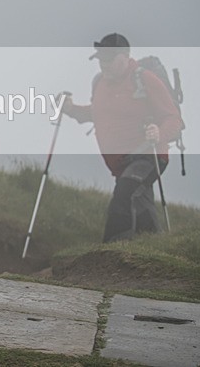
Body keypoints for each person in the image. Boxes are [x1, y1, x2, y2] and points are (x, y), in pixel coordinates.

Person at [61, 33, 184, 242]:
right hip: (121, 163)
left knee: (124, 196)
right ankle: (155, 248)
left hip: (148, 156)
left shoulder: (144, 79)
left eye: (108, 59)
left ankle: (111, 252)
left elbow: (174, 119)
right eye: (100, 59)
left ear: (124, 57)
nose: (103, 64)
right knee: (141, 208)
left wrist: (159, 132)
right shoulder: (100, 83)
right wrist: (71, 109)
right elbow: (97, 113)